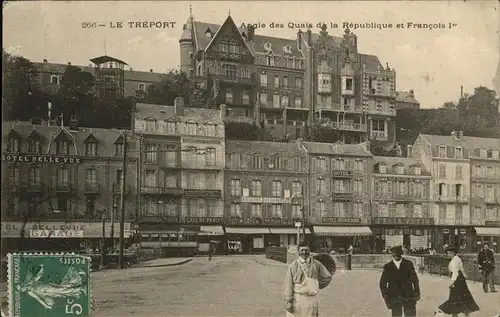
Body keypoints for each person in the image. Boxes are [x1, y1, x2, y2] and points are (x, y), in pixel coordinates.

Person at [282, 242, 332, 317]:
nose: (304, 252)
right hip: (298, 299)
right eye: (302, 250)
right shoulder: (293, 265)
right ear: (298, 251)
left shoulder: (316, 264)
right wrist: (289, 301)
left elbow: (327, 277)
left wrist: (316, 284)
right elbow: (288, 284)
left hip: (312, 300)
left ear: (309, 250)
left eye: (306, 250)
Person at [379, 245, 420, 317]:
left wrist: (417, 292)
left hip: (408, 296)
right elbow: (382, 283)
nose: (396, 256)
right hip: (395, 297)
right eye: (394, 254)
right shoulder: (388, 267)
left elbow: (415, 279)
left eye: (398, 254)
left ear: (401, 254)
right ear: (392, 255)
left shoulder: (408, 264)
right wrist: (386, 296)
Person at [438, 246, 480, 317]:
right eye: (448, 253)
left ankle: (456, 313)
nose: (449, 254)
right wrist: (464, 275)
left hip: (457, 279)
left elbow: (455, 272)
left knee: (455, 296)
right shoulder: (456, 258)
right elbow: (462, 269)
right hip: (460, 279)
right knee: (462, 295)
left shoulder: (455, 260)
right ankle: (464, 311)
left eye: (450, 253)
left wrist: (452, 282)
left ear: (454, 252)